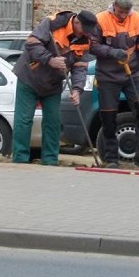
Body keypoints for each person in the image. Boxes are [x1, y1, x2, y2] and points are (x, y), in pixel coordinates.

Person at [12, 10, 98, 165]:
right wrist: (49, 60)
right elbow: (31, 43)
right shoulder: (53, 23)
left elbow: (80, 67)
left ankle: (50, 160)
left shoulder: (85, 39)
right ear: (76, 22)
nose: (86, 34)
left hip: (53, 83)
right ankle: (20, 158)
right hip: (30, 77)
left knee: (53, 121)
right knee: (24, 120)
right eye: (84, 30)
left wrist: (78, 89)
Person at [88, 0, 139, 168]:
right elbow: (93, 46)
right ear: (113, 6)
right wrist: (112, 52)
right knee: (108, 117)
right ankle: (111, 158)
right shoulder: (101, 19)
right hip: (107, 76)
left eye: (126, 12)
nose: (123, 15)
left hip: (131, 74)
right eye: (120, 12)